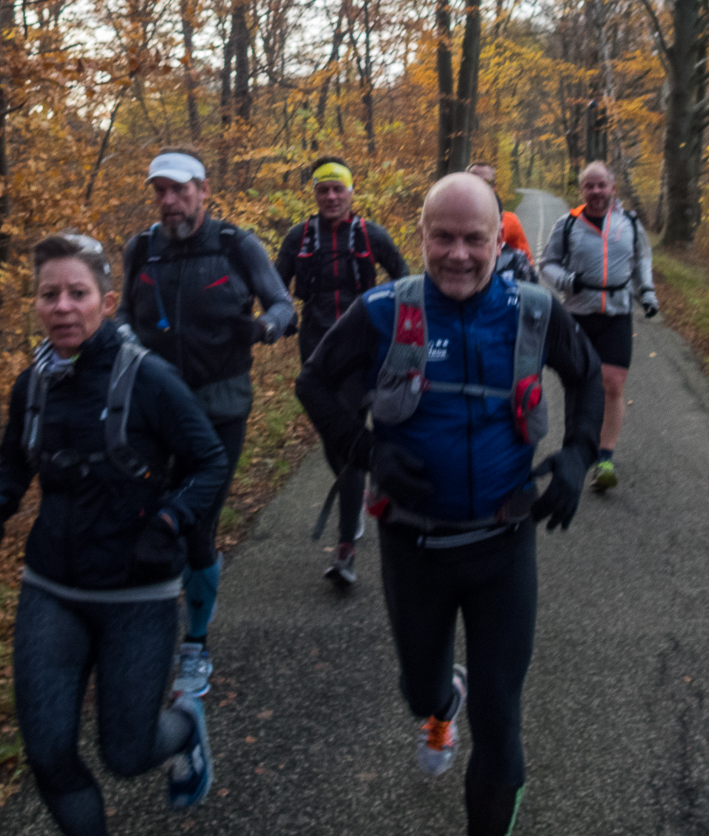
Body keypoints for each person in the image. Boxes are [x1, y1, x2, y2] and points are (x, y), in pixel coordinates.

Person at [296, 173, 603, 836]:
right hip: (413, 548)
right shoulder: (383, 309)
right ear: (421, 236)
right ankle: (441, 703)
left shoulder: (532, 311)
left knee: (500, 718)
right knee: (421, 691)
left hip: (502, 545)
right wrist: (364, 450)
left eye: (474, 238)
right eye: (443, 237)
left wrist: (578, 453)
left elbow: (584, 376)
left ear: (501, 239)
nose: (457, 253)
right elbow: (312, 380)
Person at [0, 233, 229, 836]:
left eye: (76, 293)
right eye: (48, 294)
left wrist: (170, 521)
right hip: (51, 587)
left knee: (127, 755)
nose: (61, 306)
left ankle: (185, 724)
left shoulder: (151, 380)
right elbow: (14, 461)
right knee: (48, 755)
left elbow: (209, 461)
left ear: (106, 303)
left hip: (136, 593)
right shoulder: (31, 384)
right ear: (35, 304)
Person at [118, 149, 295, 680]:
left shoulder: (237, 246)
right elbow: (123, 310)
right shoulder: (141, 249)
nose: (169, 201)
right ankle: (145, 633)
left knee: (196, 527)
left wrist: (265, 329)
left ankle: (194, 643)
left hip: (220, 409)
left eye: (179, 189)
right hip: (153, 410)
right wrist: (124, 339)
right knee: (145, 523)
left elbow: (283, 305)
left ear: (203, 189)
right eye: (160, 192)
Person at [275, 155, 408, 584]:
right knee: (335, 441)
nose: (331, 196)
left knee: (348, 443)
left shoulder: (370, 233)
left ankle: (346, 546)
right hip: (316, 355)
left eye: (338, 189)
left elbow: (404, 277)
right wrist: (282, 316)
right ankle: (365, 488)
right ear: (313, 194)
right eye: (323, 189)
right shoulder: (299, 238)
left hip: (363, 352)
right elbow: (275, 285)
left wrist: (396, 320)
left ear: (352, 192)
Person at [540, 161, 658, 491]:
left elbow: (642, 258)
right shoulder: (567, 224)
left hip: (617, 314)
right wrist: (565, 280)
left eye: (601, 185)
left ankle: (604, 458)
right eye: (589, 186)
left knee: (613, 384)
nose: (595, 191)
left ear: (612, 188)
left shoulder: (630, 223)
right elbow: (546, 264)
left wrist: (647, 291)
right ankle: (576, 448)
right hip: (578, 314)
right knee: (579, 384)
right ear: (582, 190)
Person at [466, 161, 535, 264]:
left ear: (494, 185)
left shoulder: (510, 221)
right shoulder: (450, 220)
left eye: (486, 182)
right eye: (473, 181)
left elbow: (526, 262)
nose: (479, 186)